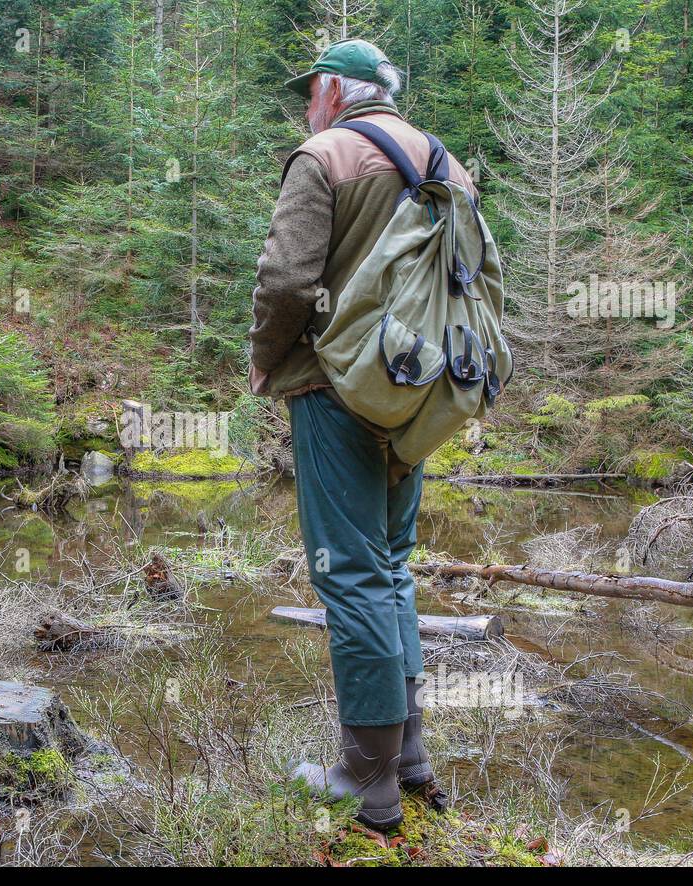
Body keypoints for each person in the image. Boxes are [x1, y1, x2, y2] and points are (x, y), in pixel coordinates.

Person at [248, 38, 476, 830]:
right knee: (388, 563)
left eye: (312, 88)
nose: (306, 101)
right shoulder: (444, 161)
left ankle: (365, 780)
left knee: (348, 574)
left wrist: (264, 361)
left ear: (338, 91)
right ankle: (408, 756)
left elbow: (285, 281)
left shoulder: (326, 154)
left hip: (332, 385)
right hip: (420, 393)